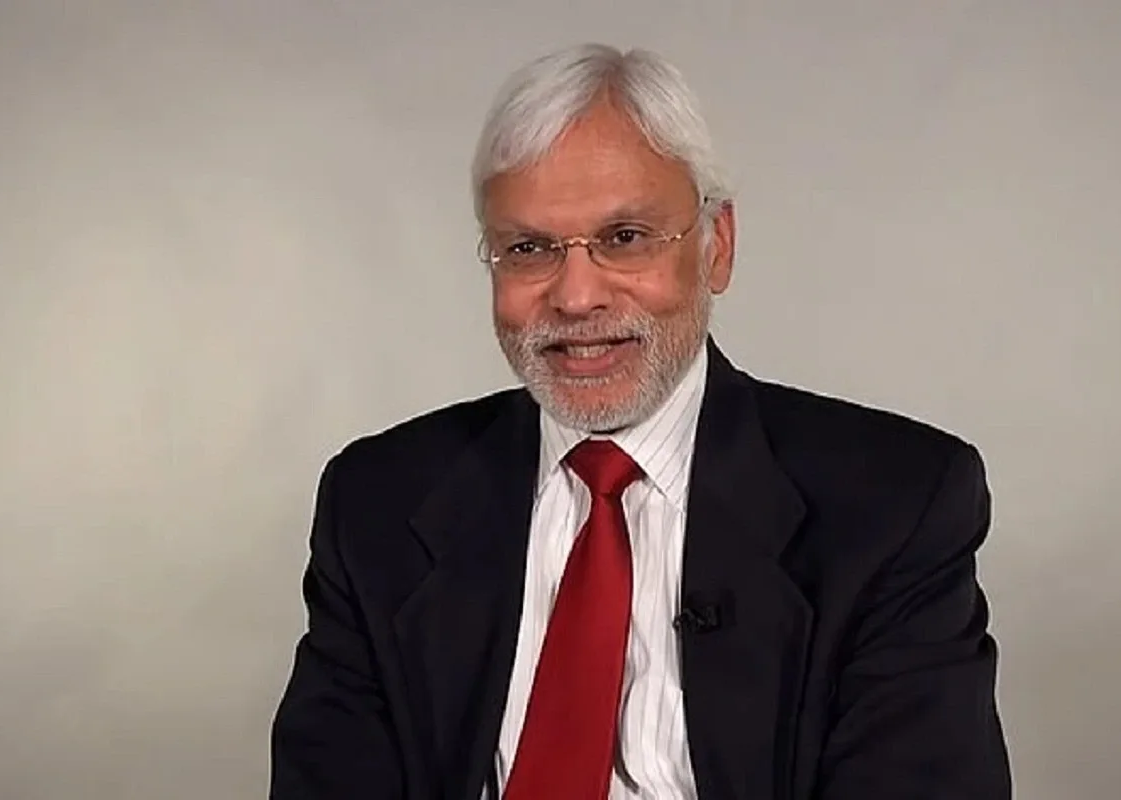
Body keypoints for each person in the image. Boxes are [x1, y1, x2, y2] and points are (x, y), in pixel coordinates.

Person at [269, 42, 1012, 799]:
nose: (576, 297)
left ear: (717, 247)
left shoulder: (895, 508)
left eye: (624, 239)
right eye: (528, 248)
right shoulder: (377, 505)